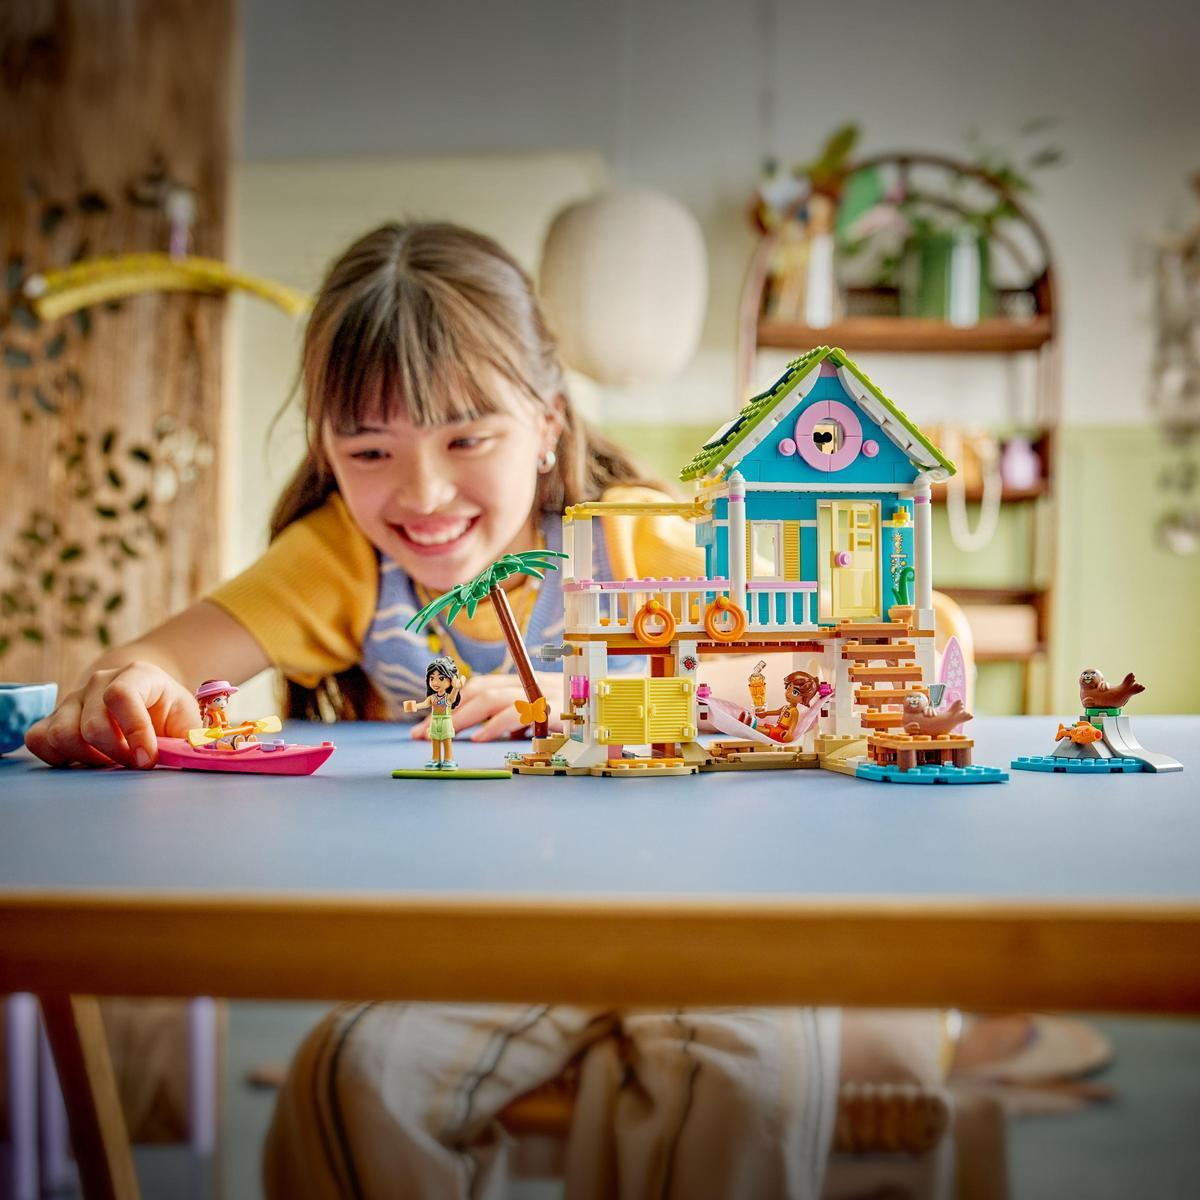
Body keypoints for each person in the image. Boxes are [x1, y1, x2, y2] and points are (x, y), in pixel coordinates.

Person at [25, 222, 839, 1198]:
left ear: (547, 421)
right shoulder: (344, 565)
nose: (423, 492)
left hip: (706, 922)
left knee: (744, 1088)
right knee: (347, 1083)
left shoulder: (646, 542)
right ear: (327, 449)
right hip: (492, 944)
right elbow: (155, 657)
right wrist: (131, 687)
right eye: (370, 449)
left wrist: (592, 699)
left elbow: (818, 678)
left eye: (468, 437)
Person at [403, 655, 463, 768]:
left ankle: (448, 759)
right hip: (434, 720)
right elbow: (425, 704)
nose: (435, 682)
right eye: (432, 678)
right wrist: (415, 706)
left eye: (441, 678)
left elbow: (452, 699)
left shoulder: (447, 697)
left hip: (445, 720)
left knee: (446, 740)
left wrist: (456, 688)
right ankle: (436, 759)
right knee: (435, 739)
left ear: (450, 679)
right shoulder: (433, 697)